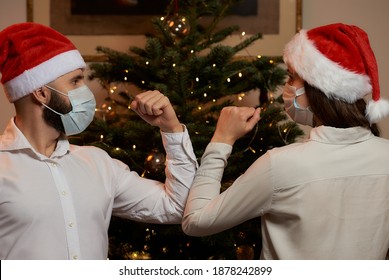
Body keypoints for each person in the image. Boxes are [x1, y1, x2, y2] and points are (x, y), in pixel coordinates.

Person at [182, 23, 389, 259]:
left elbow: (196, 221)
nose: (286, 87)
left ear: (317, 89)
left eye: (292, 78)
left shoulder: (281, 165)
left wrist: (221, 139)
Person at [0, 22, 198, 260]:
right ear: (41, 92)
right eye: (75, 81)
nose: (86, 91)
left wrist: (171, 129)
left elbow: (178, 207)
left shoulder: (98, 163)